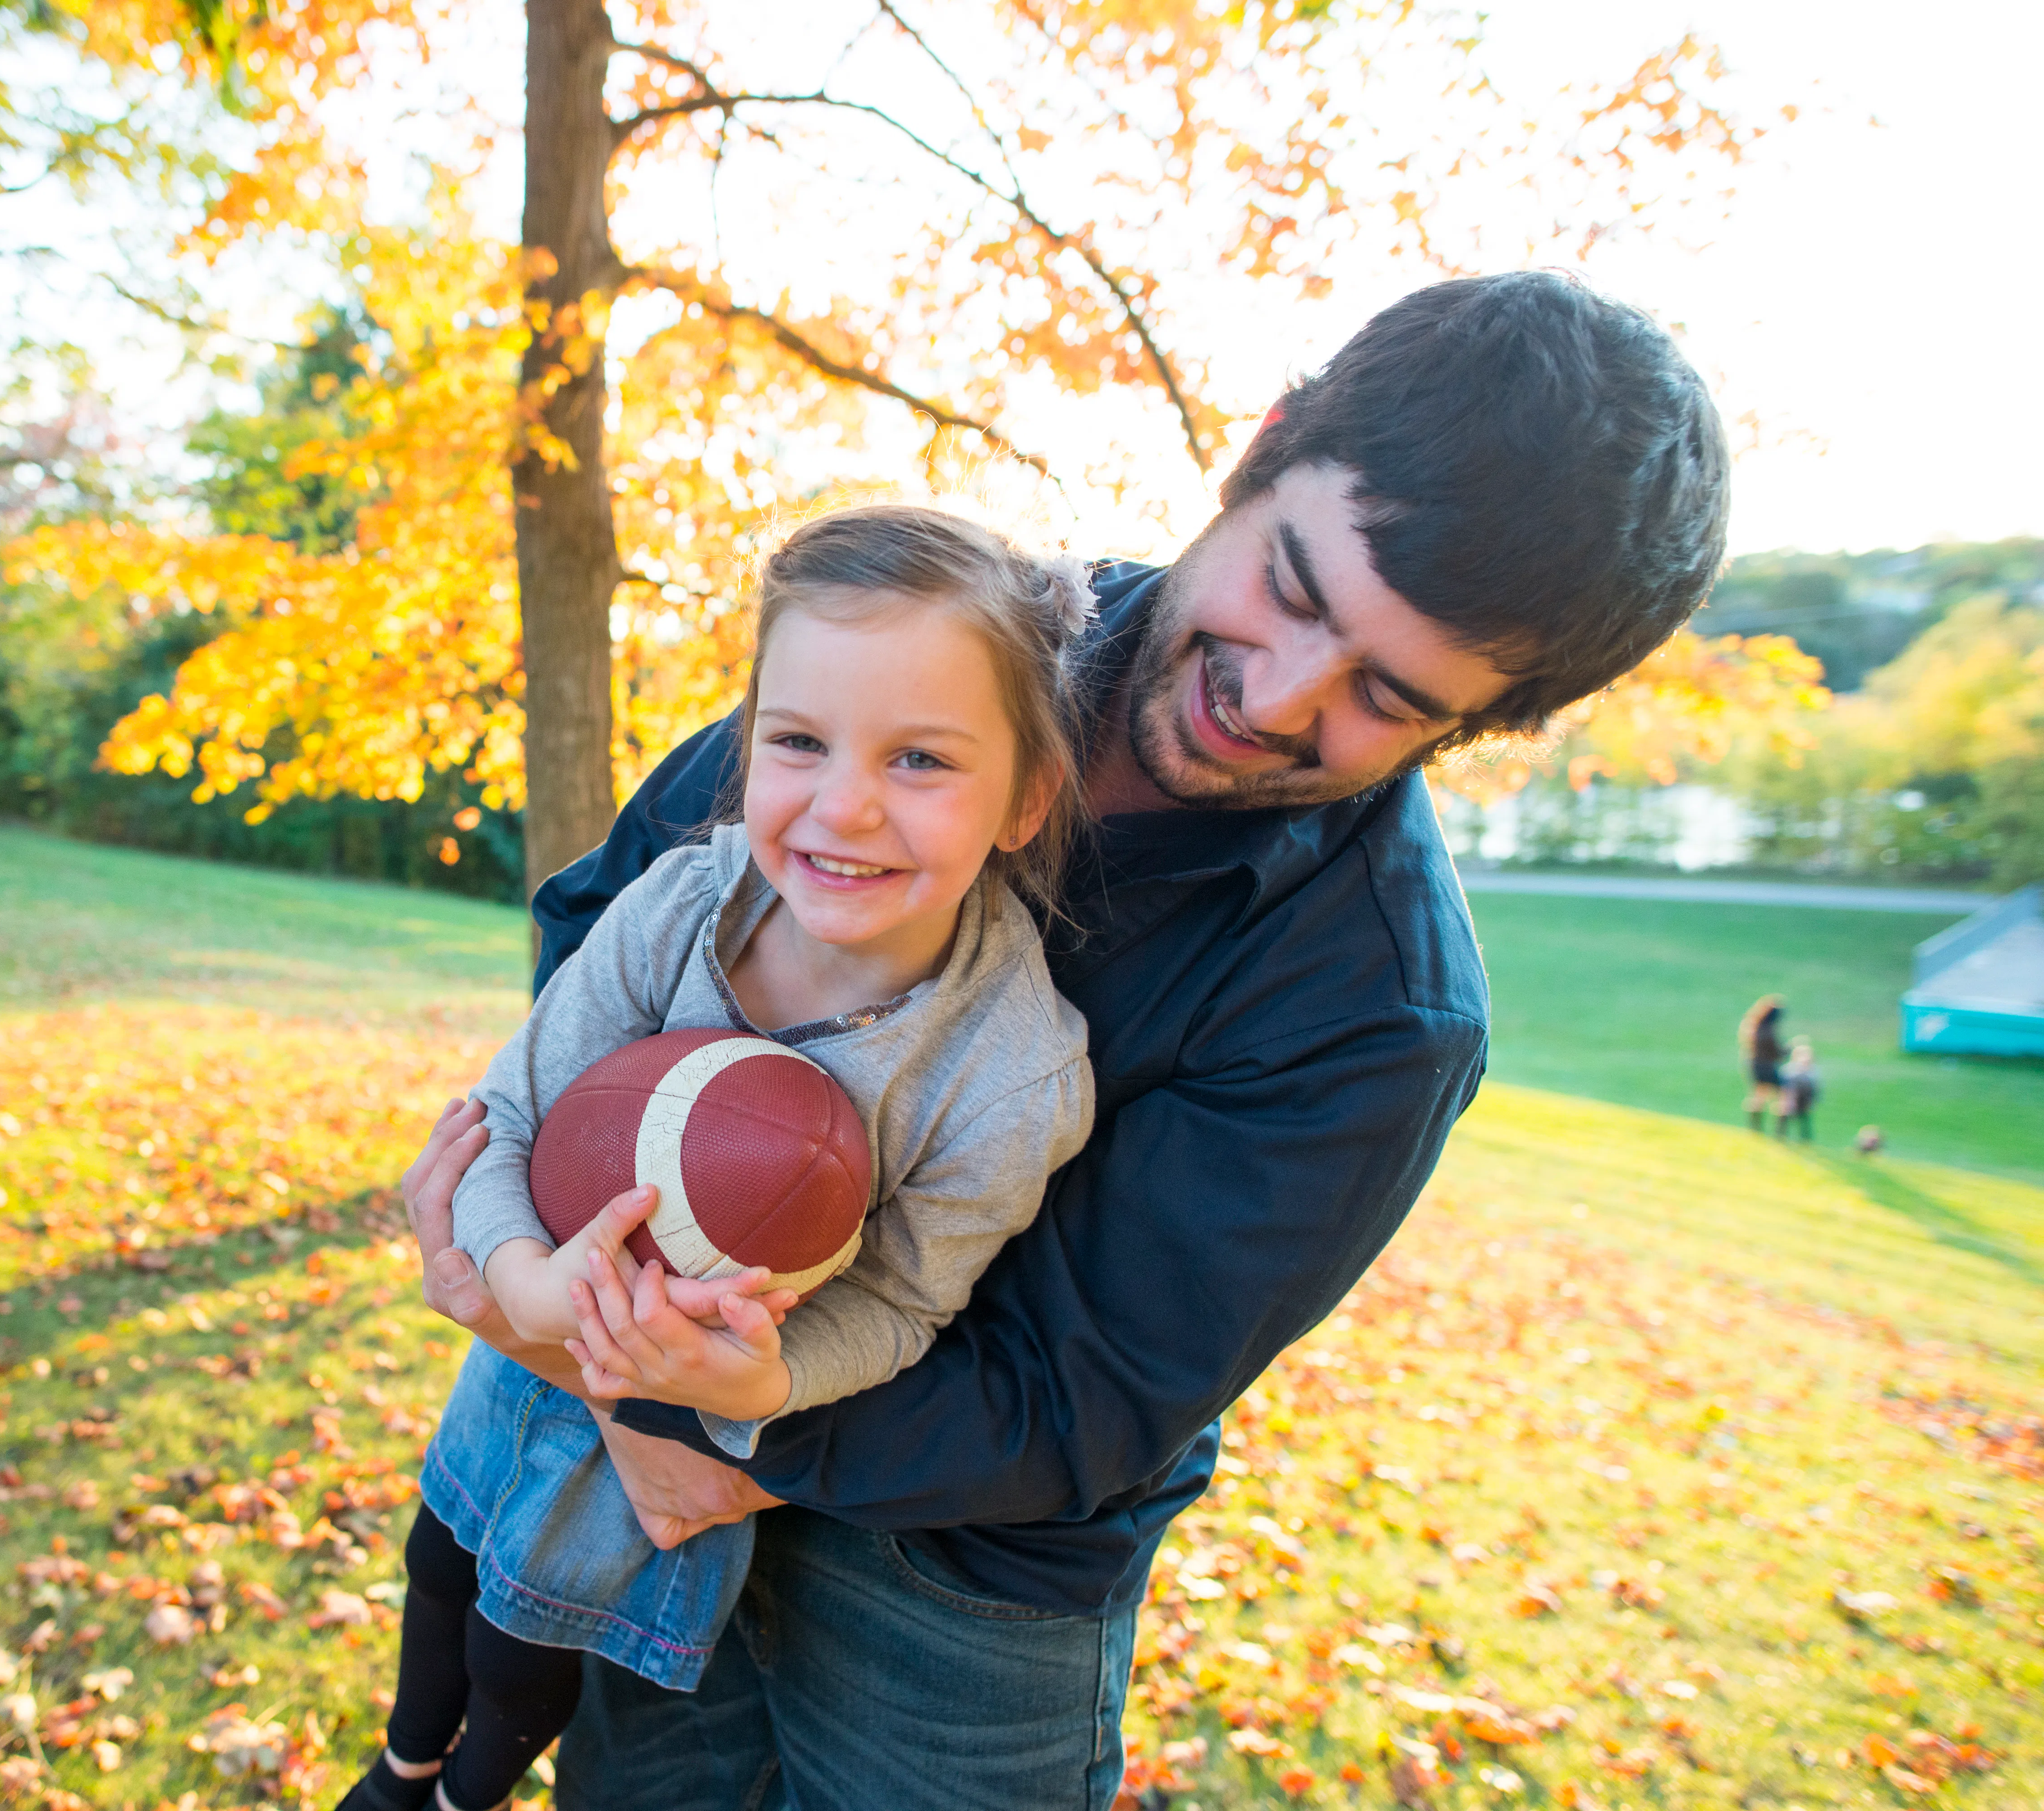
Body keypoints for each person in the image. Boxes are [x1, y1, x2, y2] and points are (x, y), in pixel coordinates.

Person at [401, 271, 1731, 1810]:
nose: (1273, 697)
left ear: (1473, 727)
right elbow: (624, 918)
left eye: (1384, 692)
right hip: (642, 1445)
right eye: (1293, 588)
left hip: (961, 1588)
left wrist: (700, 1410)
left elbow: (1076, 1393)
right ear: (1262, 446)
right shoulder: (934, 627)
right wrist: (565, 1279)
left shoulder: (1378, 1015)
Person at [338, 507, 1099, 1811]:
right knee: (443, 1557)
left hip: (693, 1419)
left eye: (921, 758)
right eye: (798, 741)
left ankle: (463, 1793)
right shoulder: (688, 902)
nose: (843, 805)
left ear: (1026, 798)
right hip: (534, 1336)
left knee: (534, 1638)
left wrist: (767, 1376)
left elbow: (903, 1301)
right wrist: (523, 1285)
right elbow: (507, 1116)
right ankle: (399, 1771)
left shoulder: (1010, 1074)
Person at [1741, 994, 1787, 1132]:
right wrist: (1790, 1049)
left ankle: (1755, 1128)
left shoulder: (1756, 1028)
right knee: (1783, 1097)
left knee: (1759, 1096)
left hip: (1755, 1065)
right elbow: (1777, 1053)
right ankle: (1780, 1132)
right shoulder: (1769, 1032)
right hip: (1768, 1067)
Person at [1779, 1036, 1820, 1143]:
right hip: (1791, 1099)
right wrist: (1785, 1100)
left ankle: (1806, 1141)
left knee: (1804, 1120)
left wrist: (1813, 1101)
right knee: (1784, 1117)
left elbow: (1815, 1089)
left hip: (1805, 1100)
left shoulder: (1813, 1072)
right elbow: (1784, 1087)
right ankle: (1780, 1137)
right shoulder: (1789, 1070)